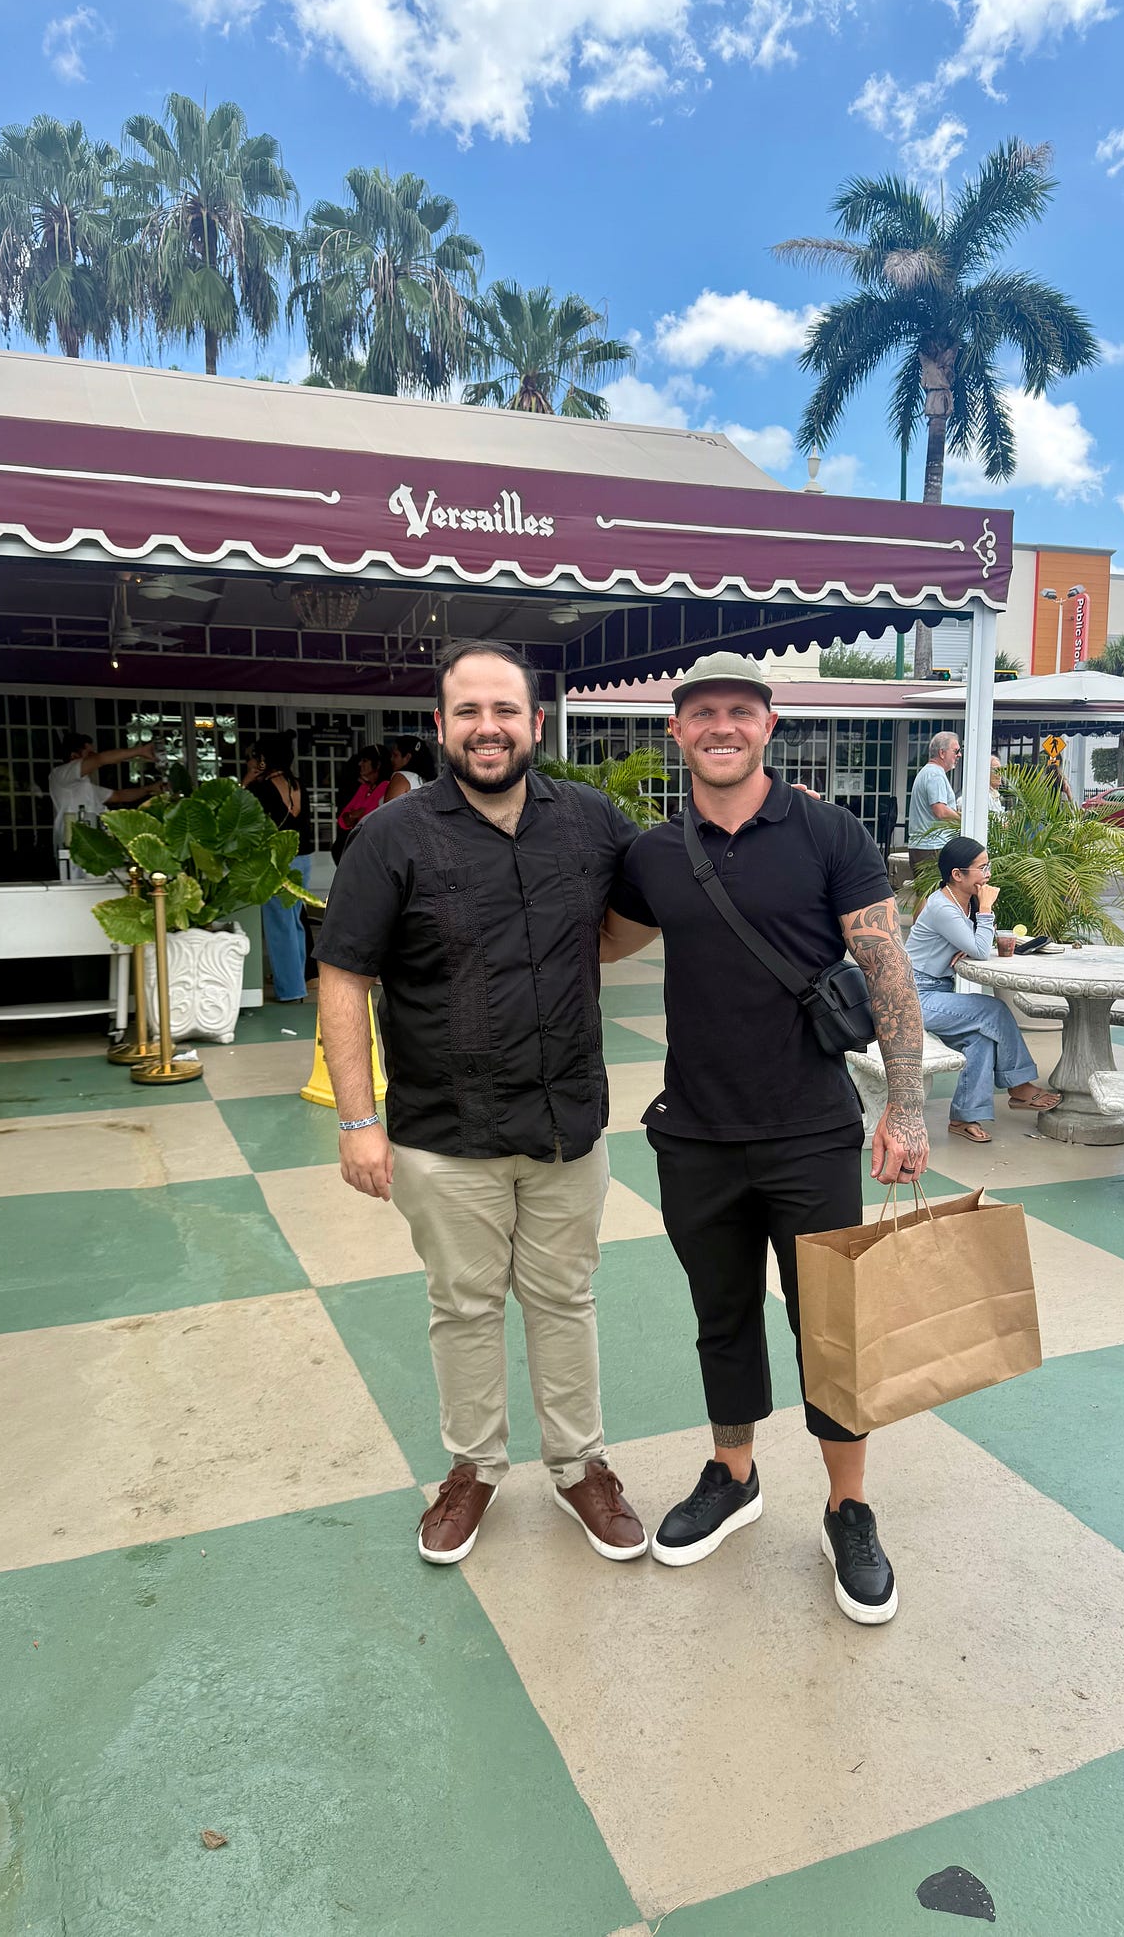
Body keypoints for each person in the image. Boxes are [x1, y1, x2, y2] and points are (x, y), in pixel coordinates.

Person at [603, 650, 928, 1627]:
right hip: (694, 1133)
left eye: (739, 712)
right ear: (677, 730)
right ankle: (733, 1473)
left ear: (767, 726)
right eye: (702, 712)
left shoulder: (828, 833)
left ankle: (848, 1505)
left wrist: (905, 1107)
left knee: (829, 1330)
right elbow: (599, 943)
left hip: (810, 1133)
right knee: (722, 1316)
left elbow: (886, 970)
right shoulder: (655, 855)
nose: (721, 727)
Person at [315, 641, 647, 1569]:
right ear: (441, 727)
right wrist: (357, 1119)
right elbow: (343, 976)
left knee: (564, 1297)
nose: (488, 728)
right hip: (443, 1133)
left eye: (506, 710)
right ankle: (472, 1469)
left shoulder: (588, 822)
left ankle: (580, 1465)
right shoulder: (393, 836)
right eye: (469, 712)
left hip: (566, 1124)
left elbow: (633, 919)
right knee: (461, 1306)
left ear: (536, 722)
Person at [904, 836, 1060, 1144]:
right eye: (981, 868)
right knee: (994, 1010)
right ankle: (1018, 1086)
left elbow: (975, 945)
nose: (987, 874)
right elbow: (977, 949)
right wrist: (986, 910)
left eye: (987, 866)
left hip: (937, 991)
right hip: (914, 995)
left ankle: (964, 1117)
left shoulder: (963, 902)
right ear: (957, 875)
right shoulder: (943, 907)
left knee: (980, 1039)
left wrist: (976, 925)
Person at [248, 732, 315, 1002]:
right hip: (303, 857)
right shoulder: (298, 784)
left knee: (279, 924)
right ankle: (296, 983)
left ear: (264, 759)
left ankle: (290, 990)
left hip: (276, 859)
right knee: (294, 921)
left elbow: (243, 813)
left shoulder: (261, 787)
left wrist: (248, 778)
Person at [48, 732, 163, 871]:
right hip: (76, 844)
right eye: (90, 754)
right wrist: (139, 751)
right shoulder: (61, 774)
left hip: (96, 845)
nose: (93, 757)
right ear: (74, 756)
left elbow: (118, 796)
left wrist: (150, 789)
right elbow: (101, 759)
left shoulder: (84, 787)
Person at [907, 731, 961, 879]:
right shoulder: (935, 775)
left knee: (925, 895)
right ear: (942, 753)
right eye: (956, 751)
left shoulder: (928, 772)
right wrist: (963, 819)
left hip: (925, 845)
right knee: (932, 895)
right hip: (932, 847)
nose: (959, 755)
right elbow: (940, 811)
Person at [332, 746, 388, 864]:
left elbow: (369, 819)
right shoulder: (364, 788)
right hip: (354, 851)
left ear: (377, 765)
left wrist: (355, 815)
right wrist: (355, 815)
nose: (360, 764)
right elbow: (343, 820)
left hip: (370, 854)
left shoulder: (386, 787)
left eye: (365, 761)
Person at [383, 734, 438, 804]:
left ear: (407, 757)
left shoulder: (401, 777)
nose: (391, 759)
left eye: (395, 755)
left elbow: (388, 812)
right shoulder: (428, 781)